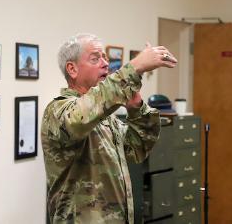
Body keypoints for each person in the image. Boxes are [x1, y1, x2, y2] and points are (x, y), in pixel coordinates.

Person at [42, 33, 177, 223]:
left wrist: (136, 108)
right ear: (72, 69)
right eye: (95, 58)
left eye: (105, 57)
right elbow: (80, 119)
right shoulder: (57, 111)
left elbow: (136, 148)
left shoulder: (106, 120)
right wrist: (135, 67)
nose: (105, 63)